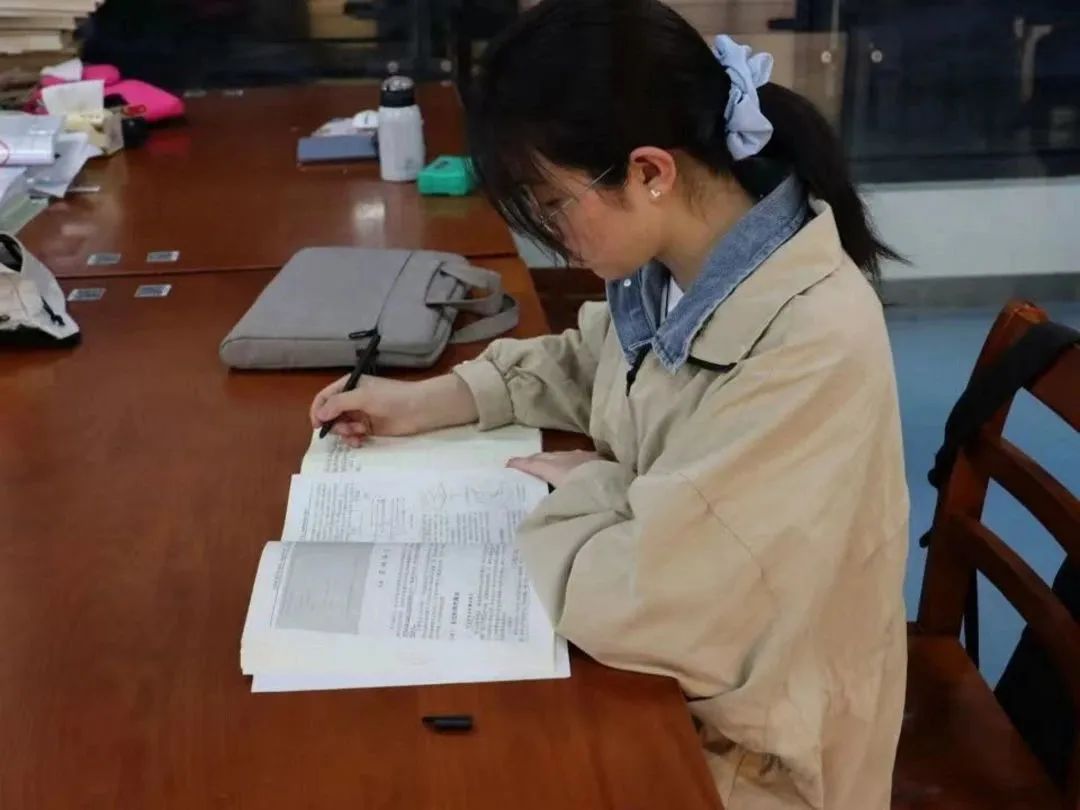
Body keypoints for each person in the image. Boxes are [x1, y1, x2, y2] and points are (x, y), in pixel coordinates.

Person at [308, 1, 909, 807]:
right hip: (676, 697)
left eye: (552, 205)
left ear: (650, 172)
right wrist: (435, 400)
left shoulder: (808, 344)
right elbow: (603, 360)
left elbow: (649, 603)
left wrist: (597, 489)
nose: (550, 236)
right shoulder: (685, 260)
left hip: (751, 760)